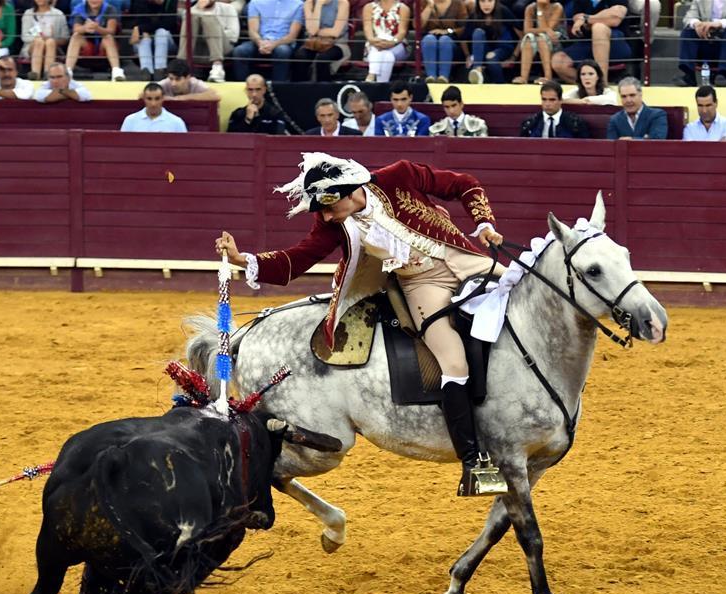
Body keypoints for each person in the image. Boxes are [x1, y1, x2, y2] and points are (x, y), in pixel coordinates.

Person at [214, 153, 509, 497]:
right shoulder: (333, 224)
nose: (324, 216)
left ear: (348, 191)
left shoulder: (401, 175)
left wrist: (484, 223)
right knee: (453, 362)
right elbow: (296, 260)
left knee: (528, 300)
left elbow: (463, 184)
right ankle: (473, 460)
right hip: (422, 286)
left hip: (467, 260)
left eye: (326, 206)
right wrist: (241, 259)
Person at [551, 0, 630, 84]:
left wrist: (586, 19)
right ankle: (592, 87)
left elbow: (615, 19)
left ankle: (603, 83)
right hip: (587, 43)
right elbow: (577, 21)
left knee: (599, 28)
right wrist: (604, 15)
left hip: (616, 43)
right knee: (558, 61)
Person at [676, 0, 726, 87]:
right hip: (706, 38)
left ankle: (722, 74)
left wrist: (720, 23)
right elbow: (690, 15)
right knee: (688, 31)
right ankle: (688, 75)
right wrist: (697, 24)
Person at [230, 0, 304, 82]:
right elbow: (253, 31)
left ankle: (279, 89)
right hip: (259, 41)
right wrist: (260, 42)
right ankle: (243, 88)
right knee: (240, 51)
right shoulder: (256, 2)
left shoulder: (298, 5)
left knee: (282, 52)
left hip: (283, 42)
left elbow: (292, 36)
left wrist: (273, 44)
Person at [180, 0, 239, 82]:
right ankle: (180, 66)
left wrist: (211, 32)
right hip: (197, 51)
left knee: (209, 18)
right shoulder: (190, 11)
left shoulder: (228, 8)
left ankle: (217, 66)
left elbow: (233, 36)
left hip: (222, 48)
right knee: (191, 16)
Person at [65, 0, 126, 82]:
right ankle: (68, 71)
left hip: (103, 47)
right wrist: (85, 28)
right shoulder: (80, 9)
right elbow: (76, 28)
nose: (94, 1)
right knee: (76, 36)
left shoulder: (110, 9)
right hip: (87, 47)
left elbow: (111, 30)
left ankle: (116, 71)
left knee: (108, 37)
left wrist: (97, 28)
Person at [292, 0, 351, 82]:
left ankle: (324, 91)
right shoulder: (309, 3)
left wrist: (317, 32)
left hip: (337, 43)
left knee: (323, 59)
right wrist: (318, 5)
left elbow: (336, 32)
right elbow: (312, 31)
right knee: (301, 56)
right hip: (314, 43)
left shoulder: (342, 3)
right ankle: (300, 90)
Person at [464, 0, 516, 85]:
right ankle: (477, 70)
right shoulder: (474, 15)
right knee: (478, 32)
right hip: (483, 50)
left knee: (491, 58)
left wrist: (513, 57)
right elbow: (464, 38)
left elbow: (521, 36)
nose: (486, 5)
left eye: (490, 1)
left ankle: (500, 84)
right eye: (483, 1)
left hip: (504, 48)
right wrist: (467, 55)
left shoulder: (503, 11)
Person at [513, 0, 564, 85]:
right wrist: (546, 29)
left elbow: (550, 28)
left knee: (541, 38)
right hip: (538, 37)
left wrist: (540, 10)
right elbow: (527, 30)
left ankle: (548, 77)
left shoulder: (557, 7)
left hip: (556, 39)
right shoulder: (530, 8)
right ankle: (523, 77)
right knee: (528, 38)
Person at [128, 0, 180, 81]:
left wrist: (142, 29)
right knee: (144, 38)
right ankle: (146, 71)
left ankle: (160, 69)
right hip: (145, 43)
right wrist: (142, 30)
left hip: (168, 42)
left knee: (161, 32)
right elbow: (139, 21)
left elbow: (168, 23)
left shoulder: (171, 2)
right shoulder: (140, 2)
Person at [519, 80, 590, 137]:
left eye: (552, 100)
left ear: (560, 100)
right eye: (544, 99)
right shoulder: (530, 122)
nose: (547, 104)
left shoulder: (575, 123)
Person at [420, 0, 468, 83]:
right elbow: (418, 26)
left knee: (444, 40)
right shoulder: (423, 3)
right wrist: (429, 7)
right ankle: (431, 77)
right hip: (429, 41)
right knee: (429, 39)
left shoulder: (458, 4)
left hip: (451, 42)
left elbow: (464, 28)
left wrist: (447, 31)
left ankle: (443, 77)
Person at [362, 0, 410, 82]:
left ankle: (371, 75)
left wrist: (392, 42)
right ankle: (383, 84)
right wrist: (374, 41)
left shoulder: (403, 8)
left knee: (383, 40)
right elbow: (367, 31)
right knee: (388, 55)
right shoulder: (368, 7)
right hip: (374, 45)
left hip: (397, 44)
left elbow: (402, 32)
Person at [21, 0, 70, 80]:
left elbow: (65, 38)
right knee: (39, 42)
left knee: (50, 42)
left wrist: (50, 39)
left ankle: (48, 75)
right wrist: (39, 38)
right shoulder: (28, 13)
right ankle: (35, 75)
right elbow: (25, 36)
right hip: (32, 47)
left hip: (52, 47)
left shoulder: (58, 14)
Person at [120, 82, 189, 131]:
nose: (153, 104)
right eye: (149, 99)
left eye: (157, 99)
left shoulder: (176, 122)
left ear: (163, 98)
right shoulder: (130, 121)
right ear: (144, 98)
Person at [157, 58, 221, 102]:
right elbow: (148, 92)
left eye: (178, 79)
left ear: (188, 77)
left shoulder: (195, 83)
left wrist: (183, 98)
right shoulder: (165, 83)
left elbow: (216, 96)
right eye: (171, 79)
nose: (173, 83)